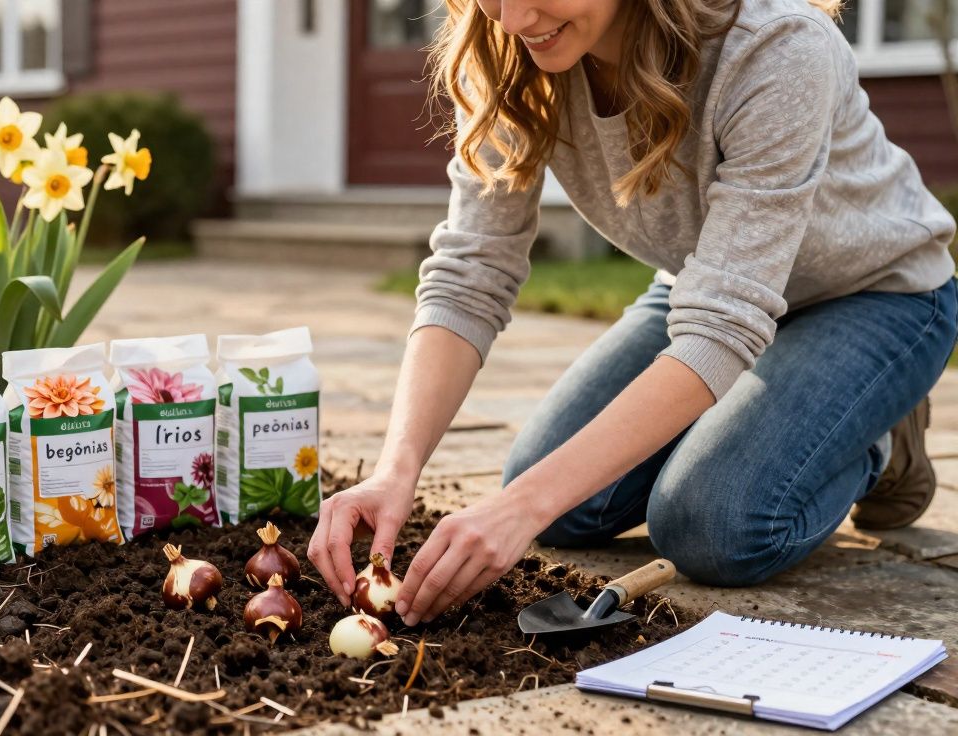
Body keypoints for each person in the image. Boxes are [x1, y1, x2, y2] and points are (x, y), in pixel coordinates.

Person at [308, 0, 958, 628]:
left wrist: (517, 510)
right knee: (558, 505)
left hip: (875, 294)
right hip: (704, 287)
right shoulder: (506, 47)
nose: (511, 17)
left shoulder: (776, 46)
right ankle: (768, 412)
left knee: (710, 524)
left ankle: (873, 433)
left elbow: (721, 326)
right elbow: (470, 273)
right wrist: (397, 471)